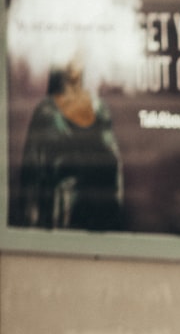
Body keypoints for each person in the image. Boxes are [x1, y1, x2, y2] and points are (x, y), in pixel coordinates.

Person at [12, 60, 124, 231]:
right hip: (58, 225)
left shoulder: (101, 110)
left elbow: (115, 170)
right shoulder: (46, 114)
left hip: (98, 226)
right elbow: (31, 179)